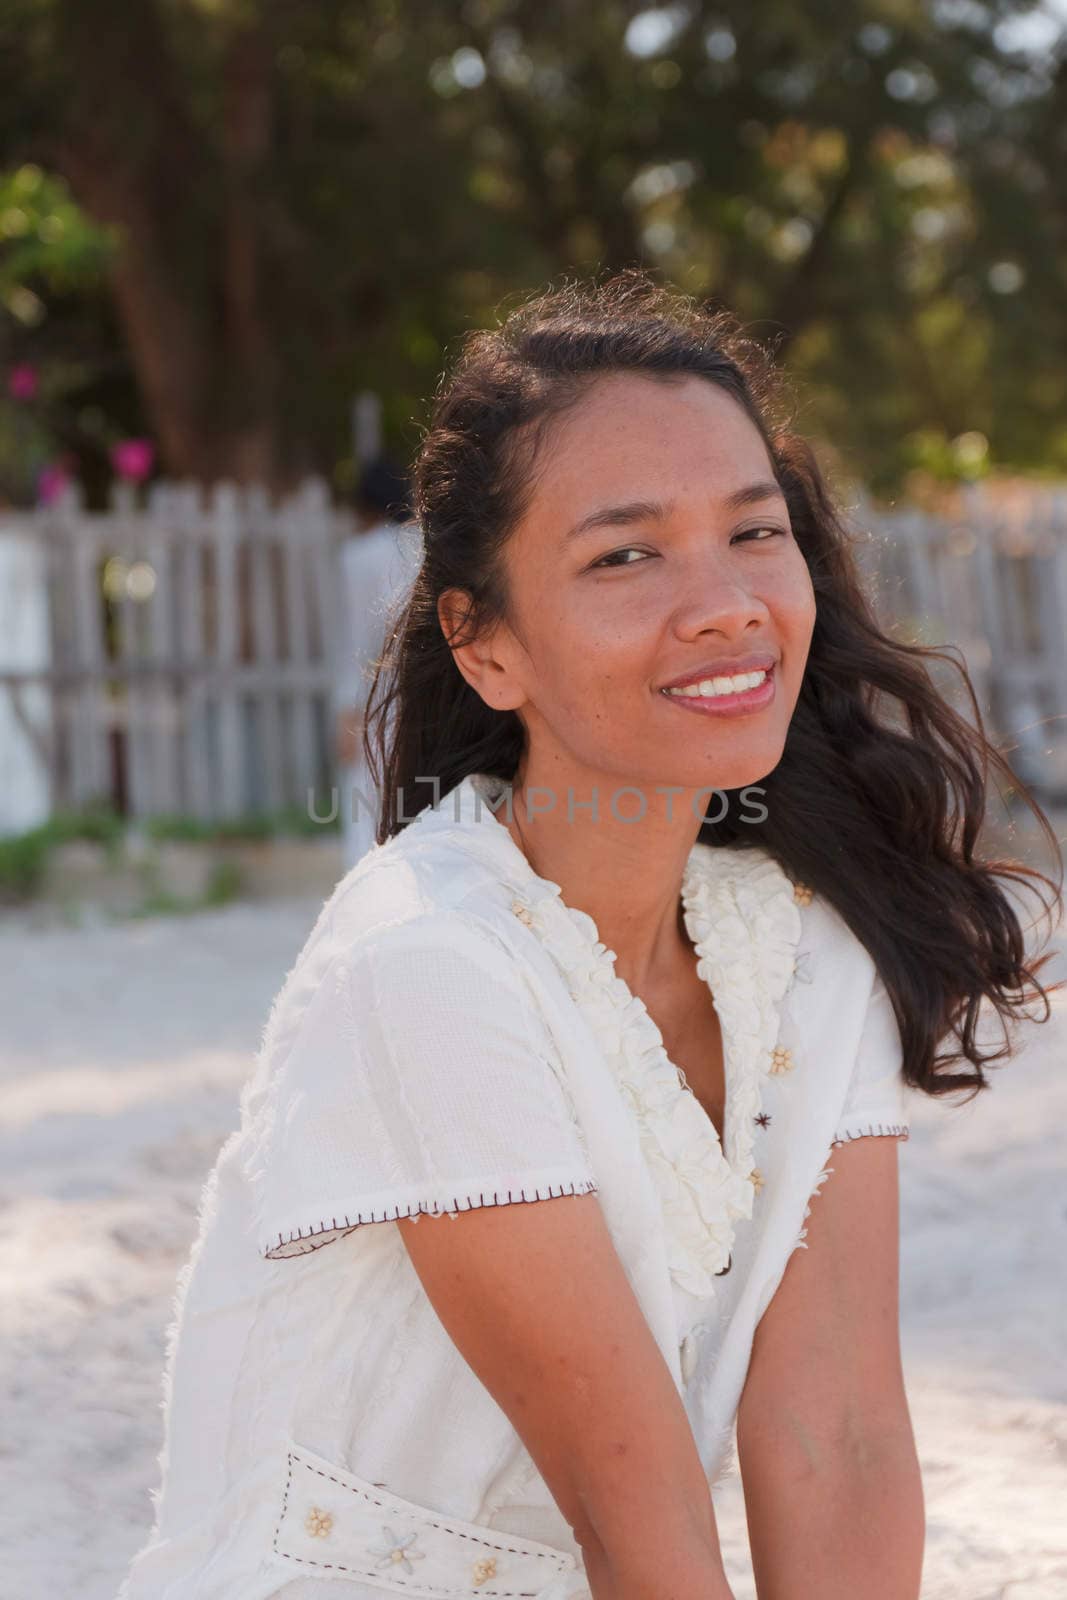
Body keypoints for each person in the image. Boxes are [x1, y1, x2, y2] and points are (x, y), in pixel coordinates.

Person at [117, 272, 1062, 1600]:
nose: (725, 601)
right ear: (484, 646)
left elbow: (835, 1437)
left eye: (753, 532)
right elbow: (637, 1521)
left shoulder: (800, 947)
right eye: (624, 554)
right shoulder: (430, 960)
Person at [334, 454, 421, 869]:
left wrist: (346, 710)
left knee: (367, 798)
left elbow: (355, 640)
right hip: (432, 685)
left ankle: (363, 891)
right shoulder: (430, 546)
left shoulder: (360, 555)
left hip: (379, 689)